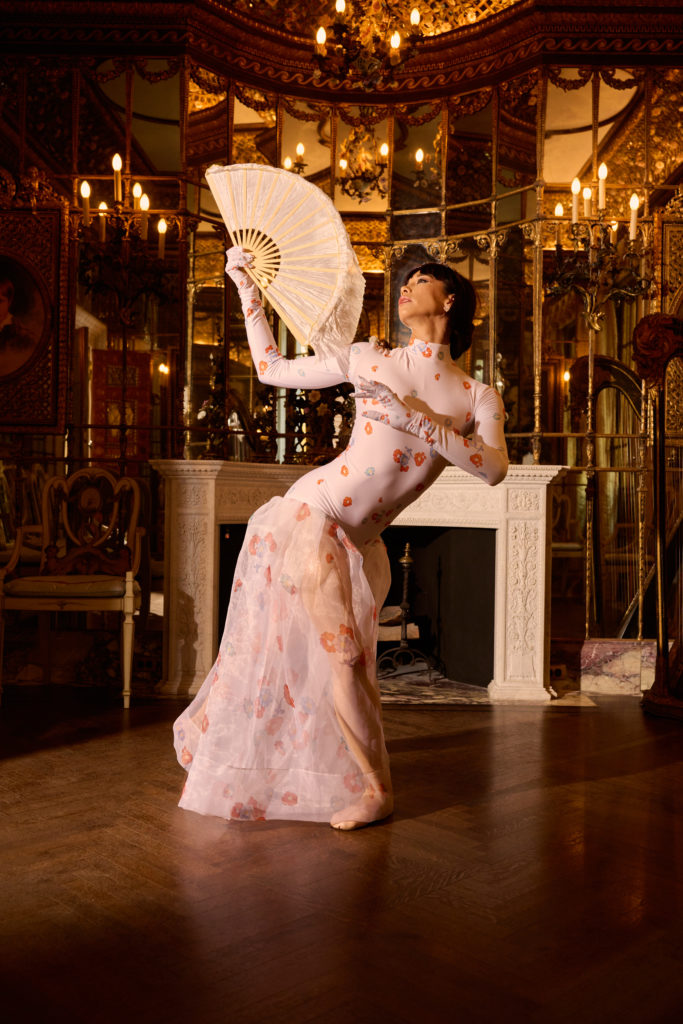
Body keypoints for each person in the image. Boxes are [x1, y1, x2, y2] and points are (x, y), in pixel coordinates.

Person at [173, 247, 508, 831]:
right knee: (346, 657)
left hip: (363, 543)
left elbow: (495, 468)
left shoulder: (477, 396)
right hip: (313, 515)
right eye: (404, 281)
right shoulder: (367, 358)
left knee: (348, 664)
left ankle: (358, 779)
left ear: (450, 300)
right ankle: (376, 791)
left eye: (420, 280)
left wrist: (418, 420)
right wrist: (246, 288)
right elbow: (272, 368)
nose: (405, 287)